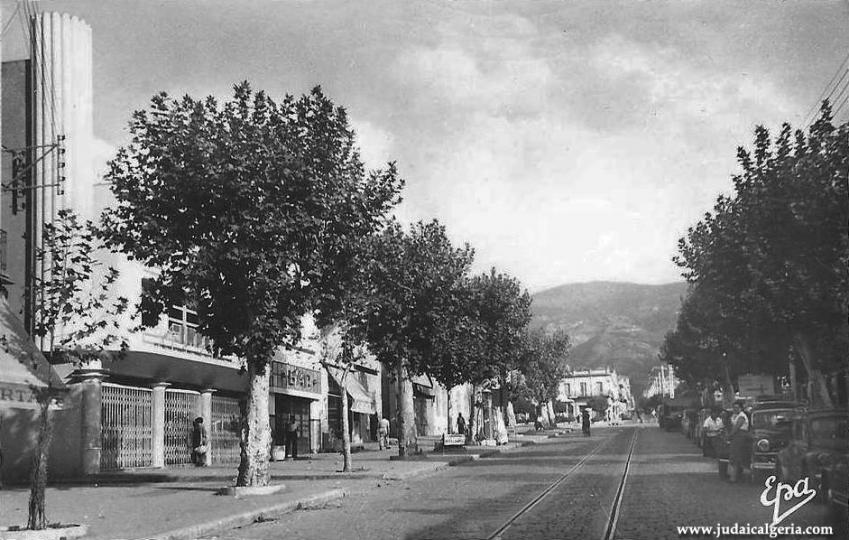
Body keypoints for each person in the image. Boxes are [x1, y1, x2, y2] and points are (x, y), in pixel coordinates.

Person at [728, 401, 751, 483]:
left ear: (741, 408)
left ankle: (734, 477)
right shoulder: (734, 416)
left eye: (737, 407)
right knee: (734, 456)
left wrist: (730, 435)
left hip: (741, 436)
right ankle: (734, 476)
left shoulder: (742, 416)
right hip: (736, 437)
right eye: (734, 407)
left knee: (736, 456)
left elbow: (737, 427)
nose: (735, 409)